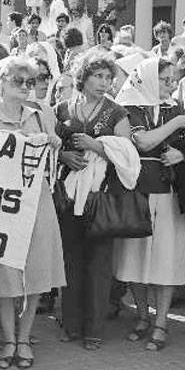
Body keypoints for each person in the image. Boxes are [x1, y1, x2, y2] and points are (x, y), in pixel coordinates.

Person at [0, 56, 65, 368]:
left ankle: (24, 337)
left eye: (31, 82)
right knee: (3, 273)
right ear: (0, 84)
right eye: (19, 82)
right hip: (2, 203)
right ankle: (8, 339)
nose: (27, 87)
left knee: (37, 270)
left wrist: (53, 143)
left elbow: (54, 153)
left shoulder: (40, 116)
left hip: (37, 199)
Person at [114, 58, 185, 351]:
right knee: (135, 258)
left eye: (174, 80)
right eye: (165, 79)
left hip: (169, 194)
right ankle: (142, 314)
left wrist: (183, 156)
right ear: (149, 79)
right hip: (137, 192)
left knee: (165, 259)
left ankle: (161, 321)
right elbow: (143, 143)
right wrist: (176, 122)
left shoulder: (175, 108)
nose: (172, 85)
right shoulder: (130, 108)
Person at [55, 51, 133, 350]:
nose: (103, 82)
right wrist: (63, 155)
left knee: (99, 263)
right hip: (68, 195)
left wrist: (97, 146)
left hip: (101, 197)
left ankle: (94, 330)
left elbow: (127, 155)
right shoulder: (63, 107)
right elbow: (50, 143)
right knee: (71, 260)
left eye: (107, 77)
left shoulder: (116, 113)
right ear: (83, 77)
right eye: (97, 76)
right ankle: (71, 324)